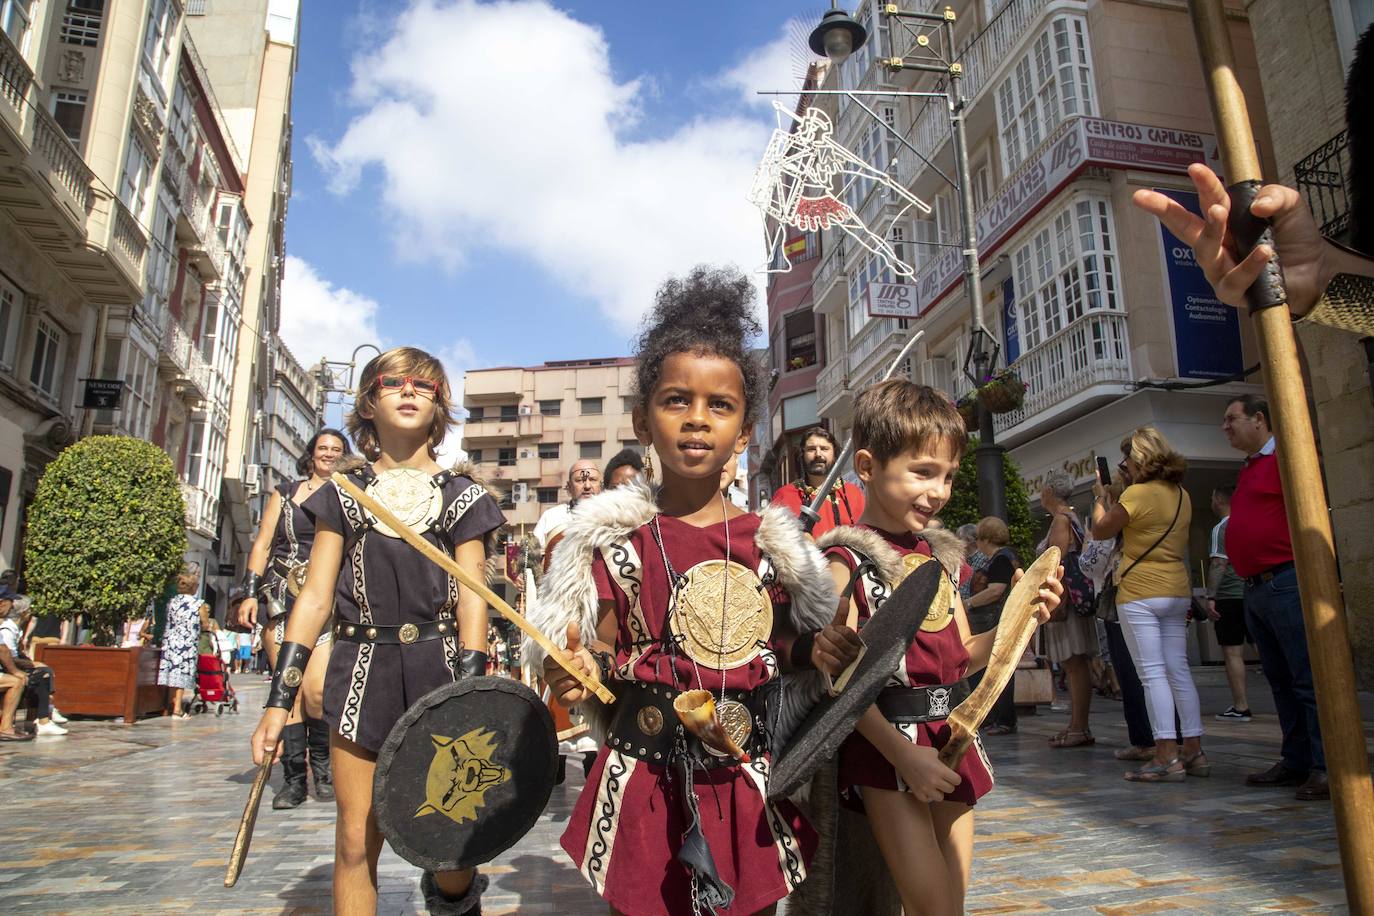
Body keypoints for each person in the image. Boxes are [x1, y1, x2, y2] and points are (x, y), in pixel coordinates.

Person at [530, 265, 862, 916]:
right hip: (643, 776)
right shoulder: (617, 547)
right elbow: (601, 648)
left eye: (720, 406)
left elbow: (784, 643)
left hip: (743, 776)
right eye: (676, 400)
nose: (696, 420)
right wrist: (576, 670)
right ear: (642, 420)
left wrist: (816, 653)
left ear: (743, 434)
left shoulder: (770, 547)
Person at [250, 346, 506, 915]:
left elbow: (472, 601)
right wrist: (277, 701)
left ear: (440, 405)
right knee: (354, 839)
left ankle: (453, 897)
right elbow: (315, 598)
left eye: (426, 385)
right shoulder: (342, 492)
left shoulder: (462, 495)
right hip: (360, 673)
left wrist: (466, 692)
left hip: (440, 672)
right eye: (394, 382)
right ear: (368, 401)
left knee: (453, 845)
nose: (410, 391)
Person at [817, 379, 1060, 915]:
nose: (940, 491)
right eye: (922, 472)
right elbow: (836, 682)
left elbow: (962, 655)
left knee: (951, 905)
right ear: (867, 465)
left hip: (952, 737)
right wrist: (904, 754)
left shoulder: (937, 557)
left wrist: (1023, 616)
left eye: (948, 476)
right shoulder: (845, 563)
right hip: (888, 748)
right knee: (932, 906)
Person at [236, 428, 350, 808]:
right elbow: (264, 542)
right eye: (323, 448)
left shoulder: (349, 492)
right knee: (289, 688)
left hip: (328, 599)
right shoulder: (286, 493)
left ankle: (323, 767)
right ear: (311, 454)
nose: (329, 454)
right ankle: (294, 779)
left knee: (316, 691)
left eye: (336, 449)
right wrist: (249, 593)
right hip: (282, 595)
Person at [1222, 394, 1327, 800]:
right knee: (1281, 681)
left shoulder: (1287, 458)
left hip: (1284, 580)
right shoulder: (1251, 467)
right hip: (1257, 588)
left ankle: (1323, 764)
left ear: (1259, 420)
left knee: (1305, 678)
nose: (1226, 426)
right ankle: (1296, 759)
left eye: (1232, 418)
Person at [1091, 427, 1207, 783]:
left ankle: (1165, 755)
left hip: (1140, 592)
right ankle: (1194, 750)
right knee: (1179, 671)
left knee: (1152, 674)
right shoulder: (1182, 495)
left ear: (1138, 459)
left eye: (1127, 459)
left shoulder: (1137, 494)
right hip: (1176, 589)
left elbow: (1101, 531)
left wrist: (1100, 498)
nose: (1123, 465)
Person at [1038, 470, 1099, 749]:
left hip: (1065, 603)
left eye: (1043, 489)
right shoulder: (1068, 518)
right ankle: (1076, 726)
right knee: (1074, 663)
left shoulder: (1062, 520)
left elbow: (1056, 561)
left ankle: (1078, 727)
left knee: (1074, 663)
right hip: (1072, 601)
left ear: (1050, 492)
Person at [964, 517, 1018, 734]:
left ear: (986, 538)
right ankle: (993, 717)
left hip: (994, 620)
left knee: (995, 668)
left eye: (978, 538)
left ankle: (1003, 719)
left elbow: (996, 590)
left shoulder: (1001, 559)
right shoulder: (1000, 557)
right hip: (990, 620)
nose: (977, 542)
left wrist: (968, 603)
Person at [1206, 486, 1251, 721]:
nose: (1211, 502)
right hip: (1253, 592)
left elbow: (1218, 564)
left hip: (1230, 595)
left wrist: (1210, 596)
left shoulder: (1221, 528)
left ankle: (1241, 705)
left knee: (1233, 652)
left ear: (1220, 499)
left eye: (1212, 497)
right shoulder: (1248, 522)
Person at [769, 426, 865, 536]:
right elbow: (773, 541)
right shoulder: (784, 495)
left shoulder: (854, 493)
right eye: (811, 449)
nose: (818, 454)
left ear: (834, 454)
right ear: (802, 455)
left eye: (824, 449)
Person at [0, 587, 65, 737]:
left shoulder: (10, 627)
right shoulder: (7, 628)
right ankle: (6, 727)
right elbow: (3, 651)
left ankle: (40, 718)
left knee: (39, 673)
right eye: (11, 602)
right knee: (18, 681)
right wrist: (17, 671)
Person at [159, 565, 210, 719]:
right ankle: (177, 709)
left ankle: (168, 705)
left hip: (170, 641)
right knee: (181, 675)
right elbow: (205, 623)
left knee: (170, 673)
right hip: (186, 643)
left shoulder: (172, 602)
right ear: (194, 587)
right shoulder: (197, 604)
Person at [532, 459, 602, 561]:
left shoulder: (613, 517)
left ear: (601, 485)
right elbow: (531, 560)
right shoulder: (551, 516)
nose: (587, 486)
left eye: (592, 479)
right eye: (580, 480)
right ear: (569, 487)